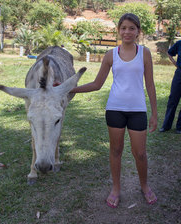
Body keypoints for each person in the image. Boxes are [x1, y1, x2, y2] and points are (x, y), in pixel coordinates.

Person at [70, 13, 158, 208]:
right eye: (123, 28)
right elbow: (97, 84)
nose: (127, 31)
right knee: (116, 150)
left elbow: (150, 85)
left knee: (140, 153)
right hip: (115, 109)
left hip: (137, 110)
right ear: (119, 30)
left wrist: (154, 113)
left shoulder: (145, 53)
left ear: (138, 32)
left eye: (131, 28)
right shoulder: (111, 55)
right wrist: (71, 88)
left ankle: (144, 186)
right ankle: (116, 189)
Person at [159, 40, 181, 134]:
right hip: (179, 74)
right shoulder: (179, 43)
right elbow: (169, 53)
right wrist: (175, 63)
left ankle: (179, 127)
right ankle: (166, 126)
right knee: (173, 100)